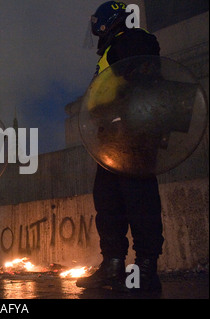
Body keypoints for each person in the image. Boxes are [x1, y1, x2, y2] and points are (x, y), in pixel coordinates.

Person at [76, 1, 163, 292]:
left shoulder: (134, 39)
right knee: (109, 202)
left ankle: (145, 267)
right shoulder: (116, 47)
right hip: (113, 140)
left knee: (140, 201)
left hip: (133, 136)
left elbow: (142, 84)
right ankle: (113, 264)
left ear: (109, 22)